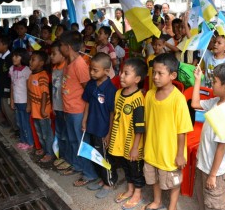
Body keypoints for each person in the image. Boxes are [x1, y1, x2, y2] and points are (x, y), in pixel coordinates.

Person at [191, 62, 225, 210]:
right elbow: (195, 103)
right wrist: (197, 80)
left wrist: (213, 175)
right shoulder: (218, 101)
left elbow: (221, 148)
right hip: (205, 163)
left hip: (214, 170)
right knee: (203, 200)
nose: (212, 84)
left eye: (214, 82)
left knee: (213, 204)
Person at [143, 53, 193, 210]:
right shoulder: (150, 95)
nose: (155, 77)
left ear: (173, 75)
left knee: (174, 182)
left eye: (160, 73)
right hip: (152, 149)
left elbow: (182, 130)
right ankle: (157, 201)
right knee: (154, 177)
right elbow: (147, 122)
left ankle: (172, 206)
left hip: (170, 152)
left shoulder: (178, 99)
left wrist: (180, 154)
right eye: (154, 73)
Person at [59, 31, 99, 186]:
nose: (59, 47)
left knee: (83, 143)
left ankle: (89, 174)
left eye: (61, 45)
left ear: (67, 47)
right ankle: (78, 166)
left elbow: (88, 90)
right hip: (69, 110)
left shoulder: (80, 64)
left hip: (78, 111)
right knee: (73, 141)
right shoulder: (68, 63)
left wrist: (86, 116)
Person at [109, 58, 148, 209]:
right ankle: (130, 189)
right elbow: (115, 115)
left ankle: (137, 193)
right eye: (121, 72)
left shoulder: (138, 99)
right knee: (125, 166)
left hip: (133, 144)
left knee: (135, 169)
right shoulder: (118, 93)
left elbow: (139, 127)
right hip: (120, 140)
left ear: (137, 79)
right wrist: (110, 133)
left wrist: (135, 147)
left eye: (126, 73)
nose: (122, 76)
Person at [82, 53, 118, 198]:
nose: (91, 72)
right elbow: (88, 103)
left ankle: (110, 182)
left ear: (106, 71)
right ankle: (103, 179)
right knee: (95, 156)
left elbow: (112, 114)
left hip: (103, 130)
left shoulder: (110, 89)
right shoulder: (91, 84)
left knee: (105, 157)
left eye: (95, 70)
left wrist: (108, 134)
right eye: (91, 69)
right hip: (92, 126)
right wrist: (84, 120)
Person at [27, 51, 54, 163]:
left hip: (43, 112)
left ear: (41, 63)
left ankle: (50, 153)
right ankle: (44, 149)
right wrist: (29, 105)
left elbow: (44, 93)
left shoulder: (42, 76)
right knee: (40, 133)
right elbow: (29, 91)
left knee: (46, 133)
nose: (30, 61)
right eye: (30, 59)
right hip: (35, 111)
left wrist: (43, 109)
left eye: (33, 59)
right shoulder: (31, 75)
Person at [50, 40, 70, 170]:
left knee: (67, 134)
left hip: (65, 107)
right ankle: (62, 156)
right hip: (57, 106)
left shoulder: (66, 68)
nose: (51, 56)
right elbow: (53, 89)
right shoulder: (54, 68)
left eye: (54, 53)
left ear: (63, 54)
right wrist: (53, 105)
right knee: (60, 132)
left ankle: (68, 158)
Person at [10, 48, 33, 150]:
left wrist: (29, 104)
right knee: (19, 122)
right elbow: (12, 85)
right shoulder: (11, 69)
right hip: (17, 100)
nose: (14, 58)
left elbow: (29, 89)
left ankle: (30, 142)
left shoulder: (27, 70)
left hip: (24, 101)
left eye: (17, 56)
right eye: (13, 55)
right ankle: (23, 140)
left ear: (23, 58)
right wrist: (11, 100)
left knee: (25, 122)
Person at [0, 35, 19, 134]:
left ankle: (17, 130)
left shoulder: (10, 58)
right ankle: (13, 127)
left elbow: (11, 76)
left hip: (8, 88)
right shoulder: (1, 57)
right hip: (2, 87)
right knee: (4, 108)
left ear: (5, 45)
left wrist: (9, 89)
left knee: (9, 109)